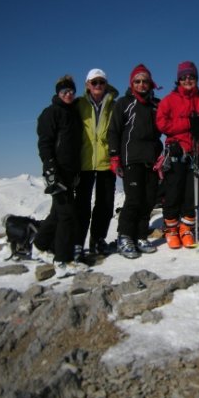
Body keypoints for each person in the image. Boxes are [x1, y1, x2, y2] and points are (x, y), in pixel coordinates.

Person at [108, 64, 163, 259]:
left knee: (149, 200)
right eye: (137, 81)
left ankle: (140, 235)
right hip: (131, 159)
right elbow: (113, 131)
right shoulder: (124, 103)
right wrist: (114, 157)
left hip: (152, 160)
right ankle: (124, 237)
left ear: (150, 83)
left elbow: (167, 128)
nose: (141, 84)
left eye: (145, 81)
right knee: (133, 200)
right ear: (132, 84)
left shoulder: (156, 105)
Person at [156, 61, 199, 249]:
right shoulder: (169, 100)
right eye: (184, 77)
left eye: (192, 76)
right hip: (177, 151)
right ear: (178, 79)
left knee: (193, 193)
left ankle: (186, 227)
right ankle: (171, 229)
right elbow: (162, 123)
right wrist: (187, 124)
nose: (188, 80)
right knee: (173, 191)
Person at [33, 74, 82, 266]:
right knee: (66, 215)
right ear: (58, 93)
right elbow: (45, 143)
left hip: (71, 172)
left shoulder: (74, 113)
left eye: (71, 91)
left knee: (57, 213)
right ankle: (62, 260)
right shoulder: (51, 112)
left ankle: (39, 245)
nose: (68, 94)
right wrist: (50, 168)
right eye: (64, 91)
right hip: (57, 172)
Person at [74, 68, 119, 257]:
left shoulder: (114, 106)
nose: (98, 86)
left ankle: (98, 240)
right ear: (87, 85)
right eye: (94, 82)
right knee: (81, 205)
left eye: (101, 82)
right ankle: (77, 242)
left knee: (105, 204)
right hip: (83, 162)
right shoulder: (78, 104)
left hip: (106, 161)